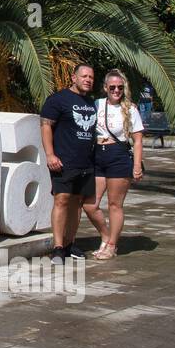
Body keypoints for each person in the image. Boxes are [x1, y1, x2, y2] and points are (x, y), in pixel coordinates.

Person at [41, 63, 100, 263]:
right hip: (63, 162)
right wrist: (50, 154)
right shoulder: (58, 100)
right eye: (84, 76)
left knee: (77, 204)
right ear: (73, 78)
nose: (88, 79)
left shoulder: (92, 103)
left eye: (91, 77)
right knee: (62, 200)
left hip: (86, 163)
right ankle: (58, 247)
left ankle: (69, 244)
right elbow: (46, 126)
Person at [84, 69, 144, 261]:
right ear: (105, 88)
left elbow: (138, 141)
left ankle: (111, 245)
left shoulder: (130, 109)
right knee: (90, 204)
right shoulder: (96, 104)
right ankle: (106, 235)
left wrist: (137, 166)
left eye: (120, 87)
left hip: (118, 156)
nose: (116, 90)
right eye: (112, 87)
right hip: (97, 155)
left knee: (114, 205)